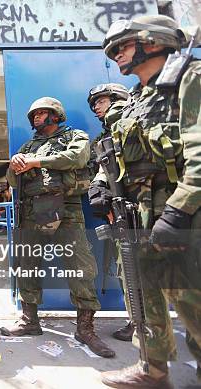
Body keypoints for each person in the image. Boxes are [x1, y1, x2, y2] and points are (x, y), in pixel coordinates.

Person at [95, 16, 201, 388]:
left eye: (122, 46)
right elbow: (119, 157)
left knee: (192, 299)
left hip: (185, 211)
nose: (118, 55)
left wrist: (179, 210)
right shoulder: (139, 99)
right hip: (141, 210)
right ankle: (153, 370)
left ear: (152, 43)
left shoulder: (190, 79)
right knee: (146, 295)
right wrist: (104, 186)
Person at [0, 97, 115, 359]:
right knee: (27, 263)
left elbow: (78, 157)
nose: (37, 117)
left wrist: (36, 163)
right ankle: (29, 320)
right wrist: (15, 164)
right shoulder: (29, 145)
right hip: (31, 210)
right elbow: (14, 182)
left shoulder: (75, 136)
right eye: (34, 114)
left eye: (41, 113)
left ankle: (85, 328)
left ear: (55, 114)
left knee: (80, 267)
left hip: (67, 209)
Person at [86, 83, 134, 343]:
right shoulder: (103, 138)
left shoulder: (131, 125)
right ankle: (138, 321)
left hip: (149, 206)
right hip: (121, 210)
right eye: (94, 104)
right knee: (127, 267)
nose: (96, 107)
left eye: (101, 101)